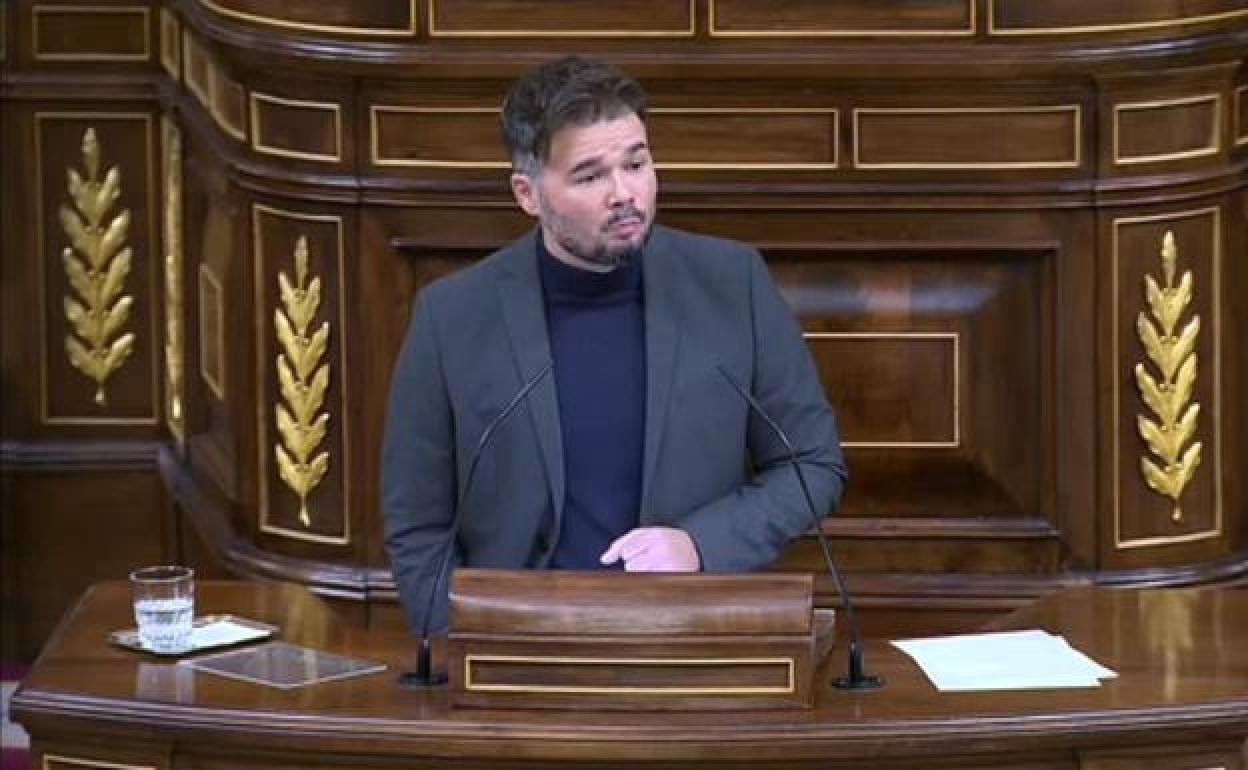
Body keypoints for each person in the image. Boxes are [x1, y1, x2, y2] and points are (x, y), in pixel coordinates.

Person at [382, 55, 847, 636]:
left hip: (690, 642)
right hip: (519, 650)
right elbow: (418, 525)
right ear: (528, 194)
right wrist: (460, 648)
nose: (624, 193)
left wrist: (700, 544)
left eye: (636, 163)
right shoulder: (451, 318)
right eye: (590, 176)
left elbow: (812, 465)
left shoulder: (733, 285)